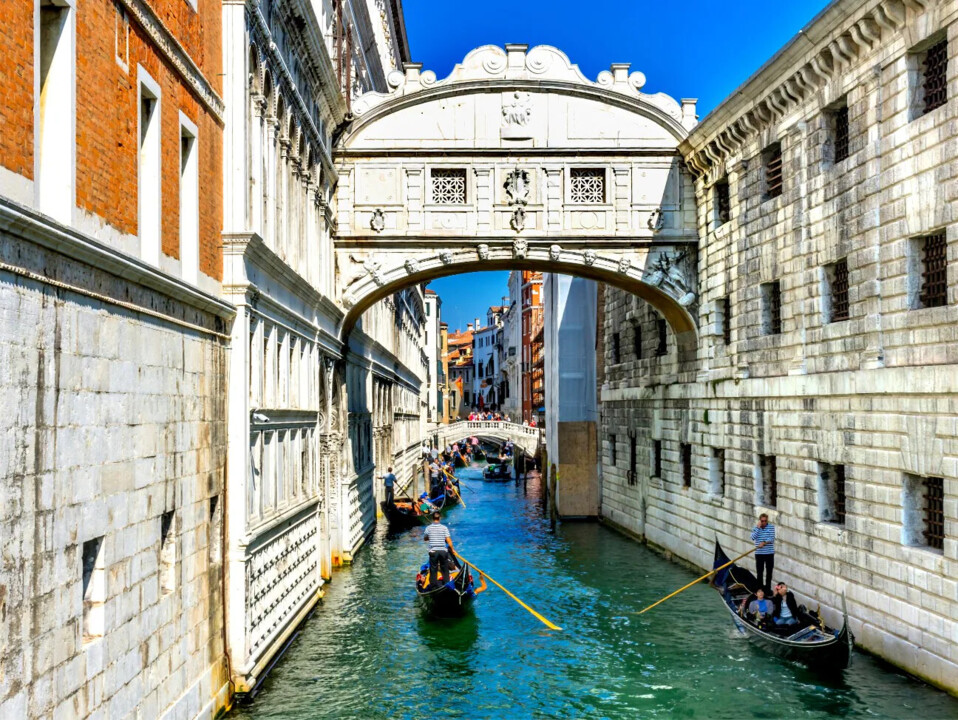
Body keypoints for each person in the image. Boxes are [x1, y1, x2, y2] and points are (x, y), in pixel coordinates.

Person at [423, 512, 456, 587]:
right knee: (445, 569)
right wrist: (453, 550)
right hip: (443, 551)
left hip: (433, 551)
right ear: (440, 518)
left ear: (432, 518)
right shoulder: (444, 528)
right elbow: (449, 540)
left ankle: (434, 586)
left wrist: (430, 536)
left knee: (433, 569)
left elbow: (425, 538)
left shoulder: (428, 528)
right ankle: (447, 584)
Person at [750, 513, 775, 592]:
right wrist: (758, 528)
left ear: (767, 520)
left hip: (769, 553)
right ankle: (760, 589)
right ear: (760, 521)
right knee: (760, 572)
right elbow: (752, 537)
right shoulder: (756, 528)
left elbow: (771, 538)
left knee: (769, 572)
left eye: (765, 521)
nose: (763, 522)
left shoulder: (771, 527)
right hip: (759, 553)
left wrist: (764, 542)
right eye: (762, 521)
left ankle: (767, 589)